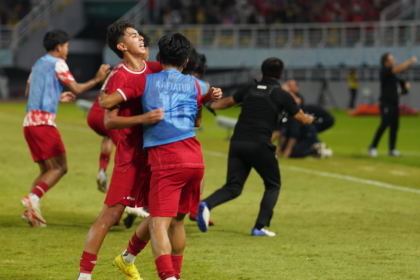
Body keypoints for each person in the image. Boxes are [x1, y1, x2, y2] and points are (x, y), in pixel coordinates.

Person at [98, 33, 222, 280]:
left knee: (158, 225)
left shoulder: (146, 81)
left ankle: (168, 277)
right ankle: (133, 260)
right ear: (186, 62)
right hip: (195, 160)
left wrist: (103, 86)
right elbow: (206, 99)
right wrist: (211, 96)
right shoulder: (196, 84)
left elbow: (106, 103)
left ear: (159, 57)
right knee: (175, 221)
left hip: (167, 160)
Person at [77, 21, 164, 280]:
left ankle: (128, 257)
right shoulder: (120, 75)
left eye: (140, 35)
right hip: (130, 156)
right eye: (134, 35)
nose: (141, 39)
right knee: (110, 214)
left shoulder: (155, 69)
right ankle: (84, 275)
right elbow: (108, 121)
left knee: (163, 212)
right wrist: (142, 119)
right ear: (121, 46)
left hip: (156, 155)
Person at [197, 57, 314, 237]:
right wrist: (311, 118)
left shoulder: (249, 89)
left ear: (262, 72)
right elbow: (302, 119)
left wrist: (210, 105)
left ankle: (206, 204)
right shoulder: (282, 94)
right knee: (273, 184)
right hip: (259, 143)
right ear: (281, 75)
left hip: (237, 142)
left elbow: (227, 102)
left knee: (234, 186)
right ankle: (259, 227)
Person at [22, 29, 110, 227]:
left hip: (29, 124)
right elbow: (77, 88)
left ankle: (31, 212)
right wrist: (97, 79)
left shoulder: (37, 64)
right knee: (61, 167)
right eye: (67, 46)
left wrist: (56, 97)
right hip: (44, 124)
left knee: (46, 170)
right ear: (59, 46)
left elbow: (29, 93)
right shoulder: (58, 63)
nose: (68, 50)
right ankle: (32, 199)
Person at [86, 33, 150, 196]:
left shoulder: (121, 67)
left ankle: (102, 170)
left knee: (109, 137)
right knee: (127, 154)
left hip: (94, 114)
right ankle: (124, 197)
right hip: (109, 116)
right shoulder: (137, 70)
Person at [368, 54, 417, 157]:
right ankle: (372, 146)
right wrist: (410, 61)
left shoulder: (394, 77)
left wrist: (405, 88)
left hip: (394, 104)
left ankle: (392, 149)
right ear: (386, 62)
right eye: (391, 59)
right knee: (384, 124)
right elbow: (398, 69)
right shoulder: (385, 70)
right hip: (386, 103)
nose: (394, 60)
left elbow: (399, 91)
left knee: (394, 126)